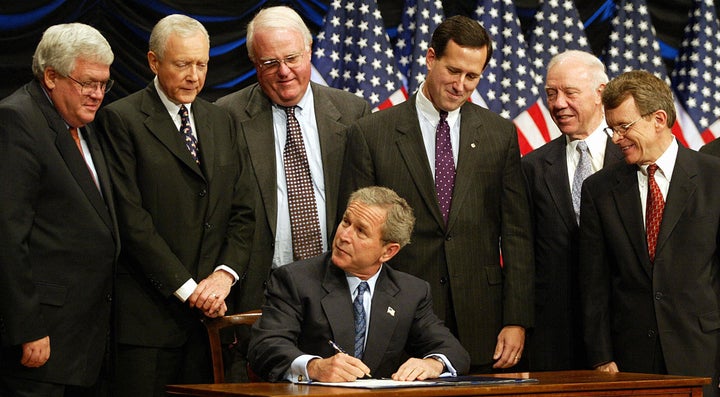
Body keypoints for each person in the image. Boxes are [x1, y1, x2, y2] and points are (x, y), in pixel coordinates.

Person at [338, 15, 533, 372]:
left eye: (472, 77)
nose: (461, 85)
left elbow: (517, 233)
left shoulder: (499, 134)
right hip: (398, 315)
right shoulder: (371, 134)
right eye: (453, 71)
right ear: (430, 59)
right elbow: (356, 235)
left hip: (481, 316)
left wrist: (516, 319)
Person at [95, 15, 255, 396]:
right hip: (150, 324)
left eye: (201, 64)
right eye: (182, 64)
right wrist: (189, 291)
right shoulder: (121, 120)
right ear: (153, 62)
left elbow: (245, 210)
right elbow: (132, 222)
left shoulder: (222, 120)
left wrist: (222, 277)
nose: (193, 76)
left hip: (213, 324)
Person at [215, 5, 370, 381]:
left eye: (292, 58)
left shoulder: (352, 111)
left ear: (310, 52)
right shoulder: (226, 116)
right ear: (254, 63)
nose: (284, 72)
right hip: (260, 296)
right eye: (270, 62)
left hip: (338, 289)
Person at [579, 70, 720, 397]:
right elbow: (593, 281)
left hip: (702, 353)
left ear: (658, 119)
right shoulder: (599, 190)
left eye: (624, 127)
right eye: (611, 128)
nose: (616, 138)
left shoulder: (714, 178)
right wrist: (601, 355)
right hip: (630, 360)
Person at [0, 23, 118, 396]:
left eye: (104, 84)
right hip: (40, 341)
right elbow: (7, 235)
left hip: (83, 340)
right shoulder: (17, 120)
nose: (97, 95)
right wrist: (28, 327)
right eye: (88, 83)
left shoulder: (83, 124)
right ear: (51, 76)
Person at [248, 186, 470, 382]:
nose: (344, 235)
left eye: (361, 231)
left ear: (388, 251)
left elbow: (454, 352)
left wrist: (432, 364)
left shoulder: (411, 292)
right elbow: (265, 346)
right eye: (346, 222)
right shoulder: (295, 280)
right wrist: (314, 367)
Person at [521, 50, 622, 371]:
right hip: (554, 336)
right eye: (551, 94)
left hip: (623, 329)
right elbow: (522, 253)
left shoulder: (631, 159)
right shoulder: (532, 167)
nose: (558, 103)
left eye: (570, 93)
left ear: (600, 94)